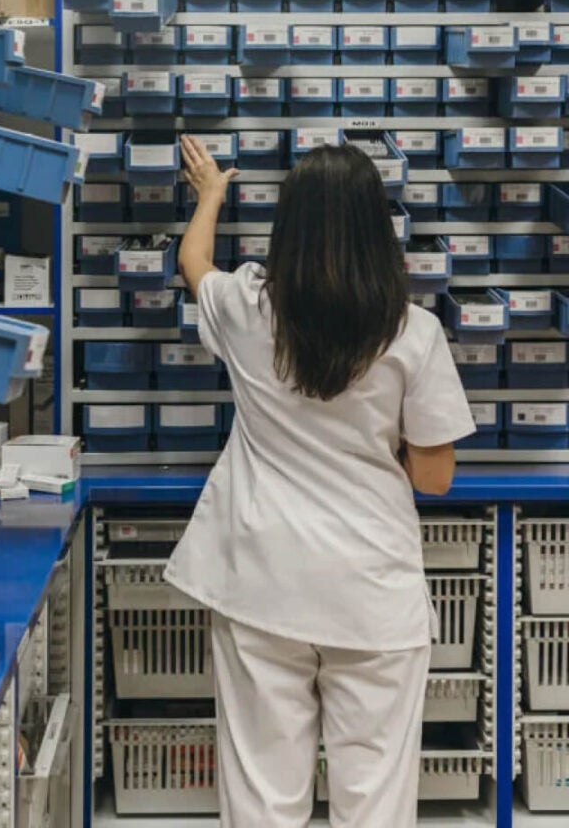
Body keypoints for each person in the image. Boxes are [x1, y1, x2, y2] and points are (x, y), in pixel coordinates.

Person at [164, 137, 477, 828]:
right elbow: (435, 476)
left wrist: (211, 193)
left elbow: (193, 264)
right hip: (371, 590)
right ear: (377, 228)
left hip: (261, 580)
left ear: (290, 227)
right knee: (375, 804)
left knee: (262, 799)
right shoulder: (412, 332)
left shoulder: (248, 309)